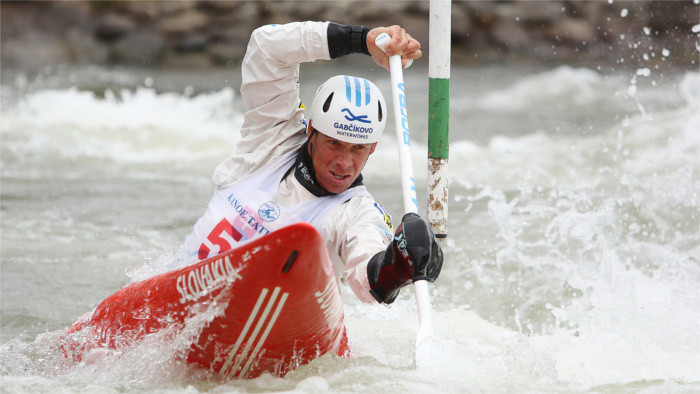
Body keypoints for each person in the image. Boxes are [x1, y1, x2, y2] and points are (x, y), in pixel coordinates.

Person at [182, 21, 442, 304]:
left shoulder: (358, 213)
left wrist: (397, 267)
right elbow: (266, 46)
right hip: (183, 293)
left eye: (358, 149)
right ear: (311, 131)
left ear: (373, 148)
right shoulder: (270, 135)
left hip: (274, 319)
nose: (344, 162)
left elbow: (370, 279)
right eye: (334, 143)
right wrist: (359, 40)